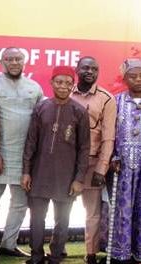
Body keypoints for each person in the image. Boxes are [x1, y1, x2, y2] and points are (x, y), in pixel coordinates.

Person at [22, 66, 90, 264]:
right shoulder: (41, 108)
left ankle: (55, 256)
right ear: (51, 83)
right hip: (40, 173)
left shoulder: (79, 112)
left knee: (62, 221)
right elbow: (30, 142)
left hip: (66, 176)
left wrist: (78, 179)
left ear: (73, 85)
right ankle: (36, 256)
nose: (63, 86)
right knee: (36, 219)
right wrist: (26, 172)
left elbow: (84, 148)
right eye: (59, 82)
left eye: (68, 83)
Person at [0, 47, 43, 264]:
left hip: (24, 158)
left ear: (25, 61)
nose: (14, 62)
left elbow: (40, 123)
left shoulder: (34, 88)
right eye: (10, 59)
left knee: (20, 203)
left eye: (18, 58)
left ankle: (9, 243)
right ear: (2, 61)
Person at [69, 56, 116, 264]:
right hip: (66, 162)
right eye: (85, 67)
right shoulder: (65, 93)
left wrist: (101, 169)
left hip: (91, 163)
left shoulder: (106, 99)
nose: (90, 71)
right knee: (62, 207)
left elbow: (108, 138)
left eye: (94, 69)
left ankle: (90, 253)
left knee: (92, 212)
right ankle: (57, 248)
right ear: (77, 69)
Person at [105, 58, 141, 263]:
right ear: (125, 78)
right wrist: (114, 156)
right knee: (122, 209)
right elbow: (111, 132)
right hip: (123, 165)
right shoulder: (116, 101)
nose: (138, 79)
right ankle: (121, 252)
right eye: (133, 76)